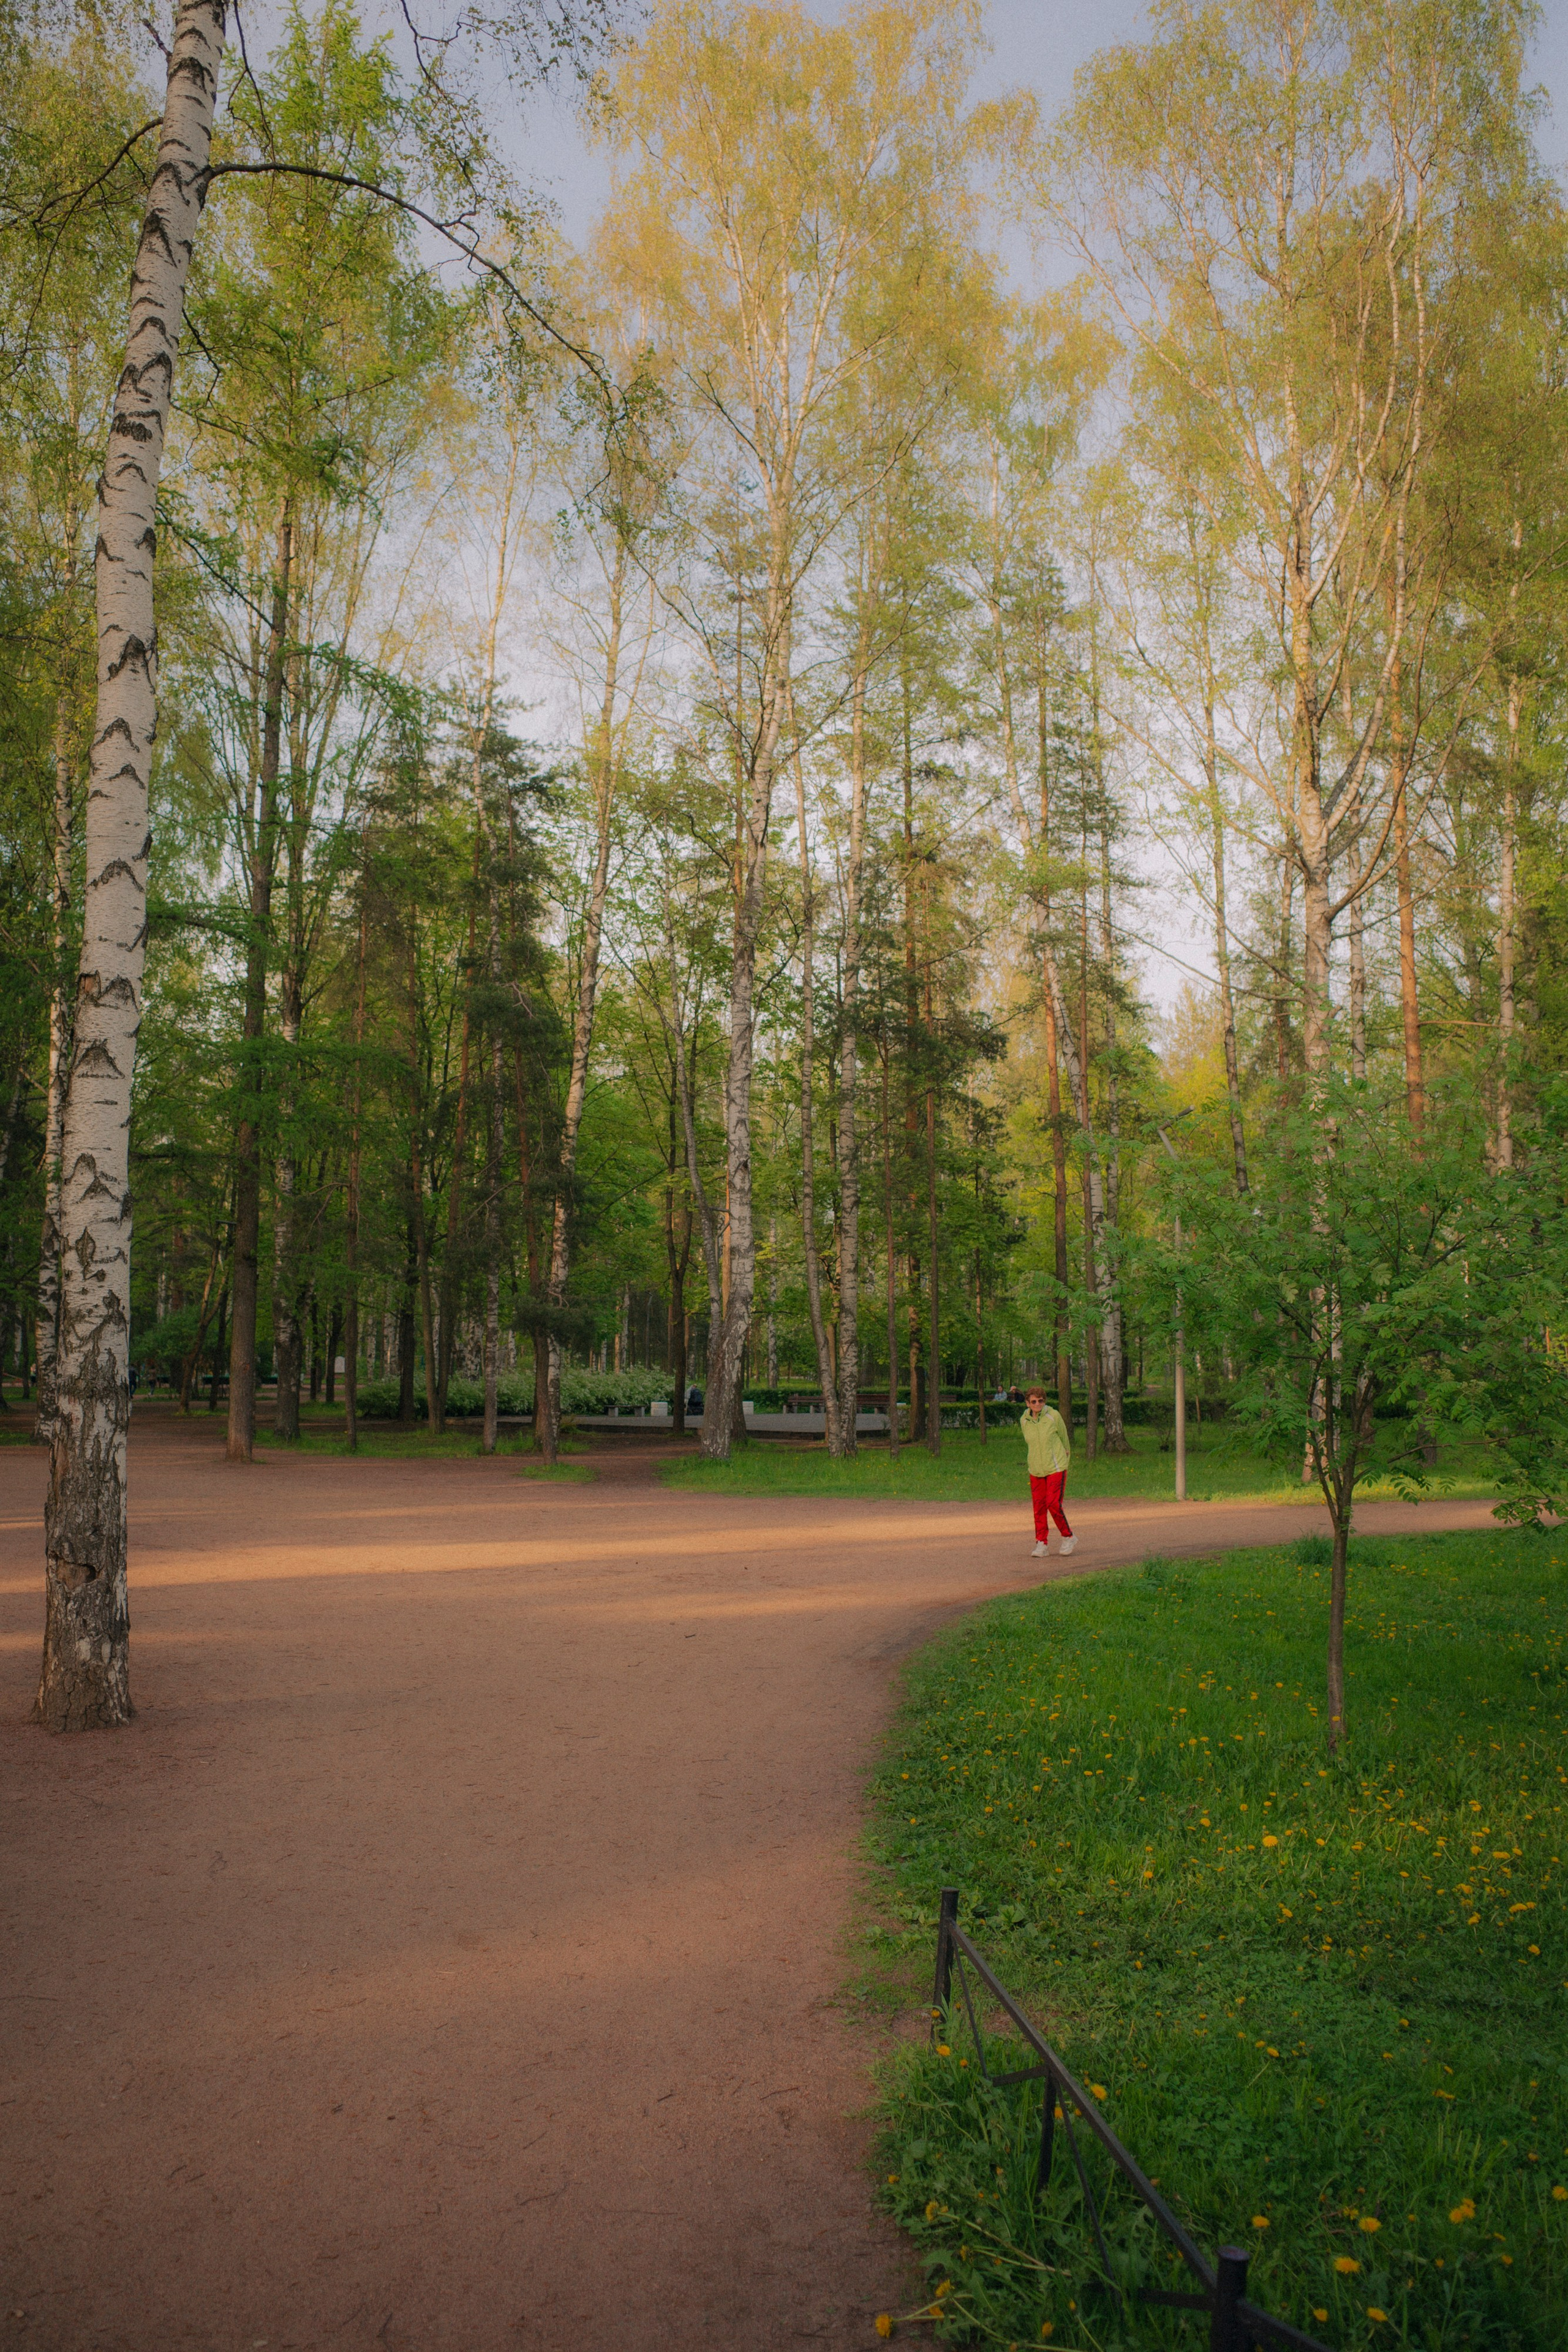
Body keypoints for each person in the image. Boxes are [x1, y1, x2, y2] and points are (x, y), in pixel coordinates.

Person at [1019, 1384, 1075, 1558]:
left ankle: (1068, 1537)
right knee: (1039, 1507)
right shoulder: (1024, 1420)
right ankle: (1041, 1543)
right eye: (1034, 1401)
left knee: (1053, 1503)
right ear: (1028, 1403)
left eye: (1041, 1401)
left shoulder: (1053, 1416)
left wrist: (1065, 1459)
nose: (1037, 1404)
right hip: (1036, 1469)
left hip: (1056, 1468)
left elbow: (1065, 1439)